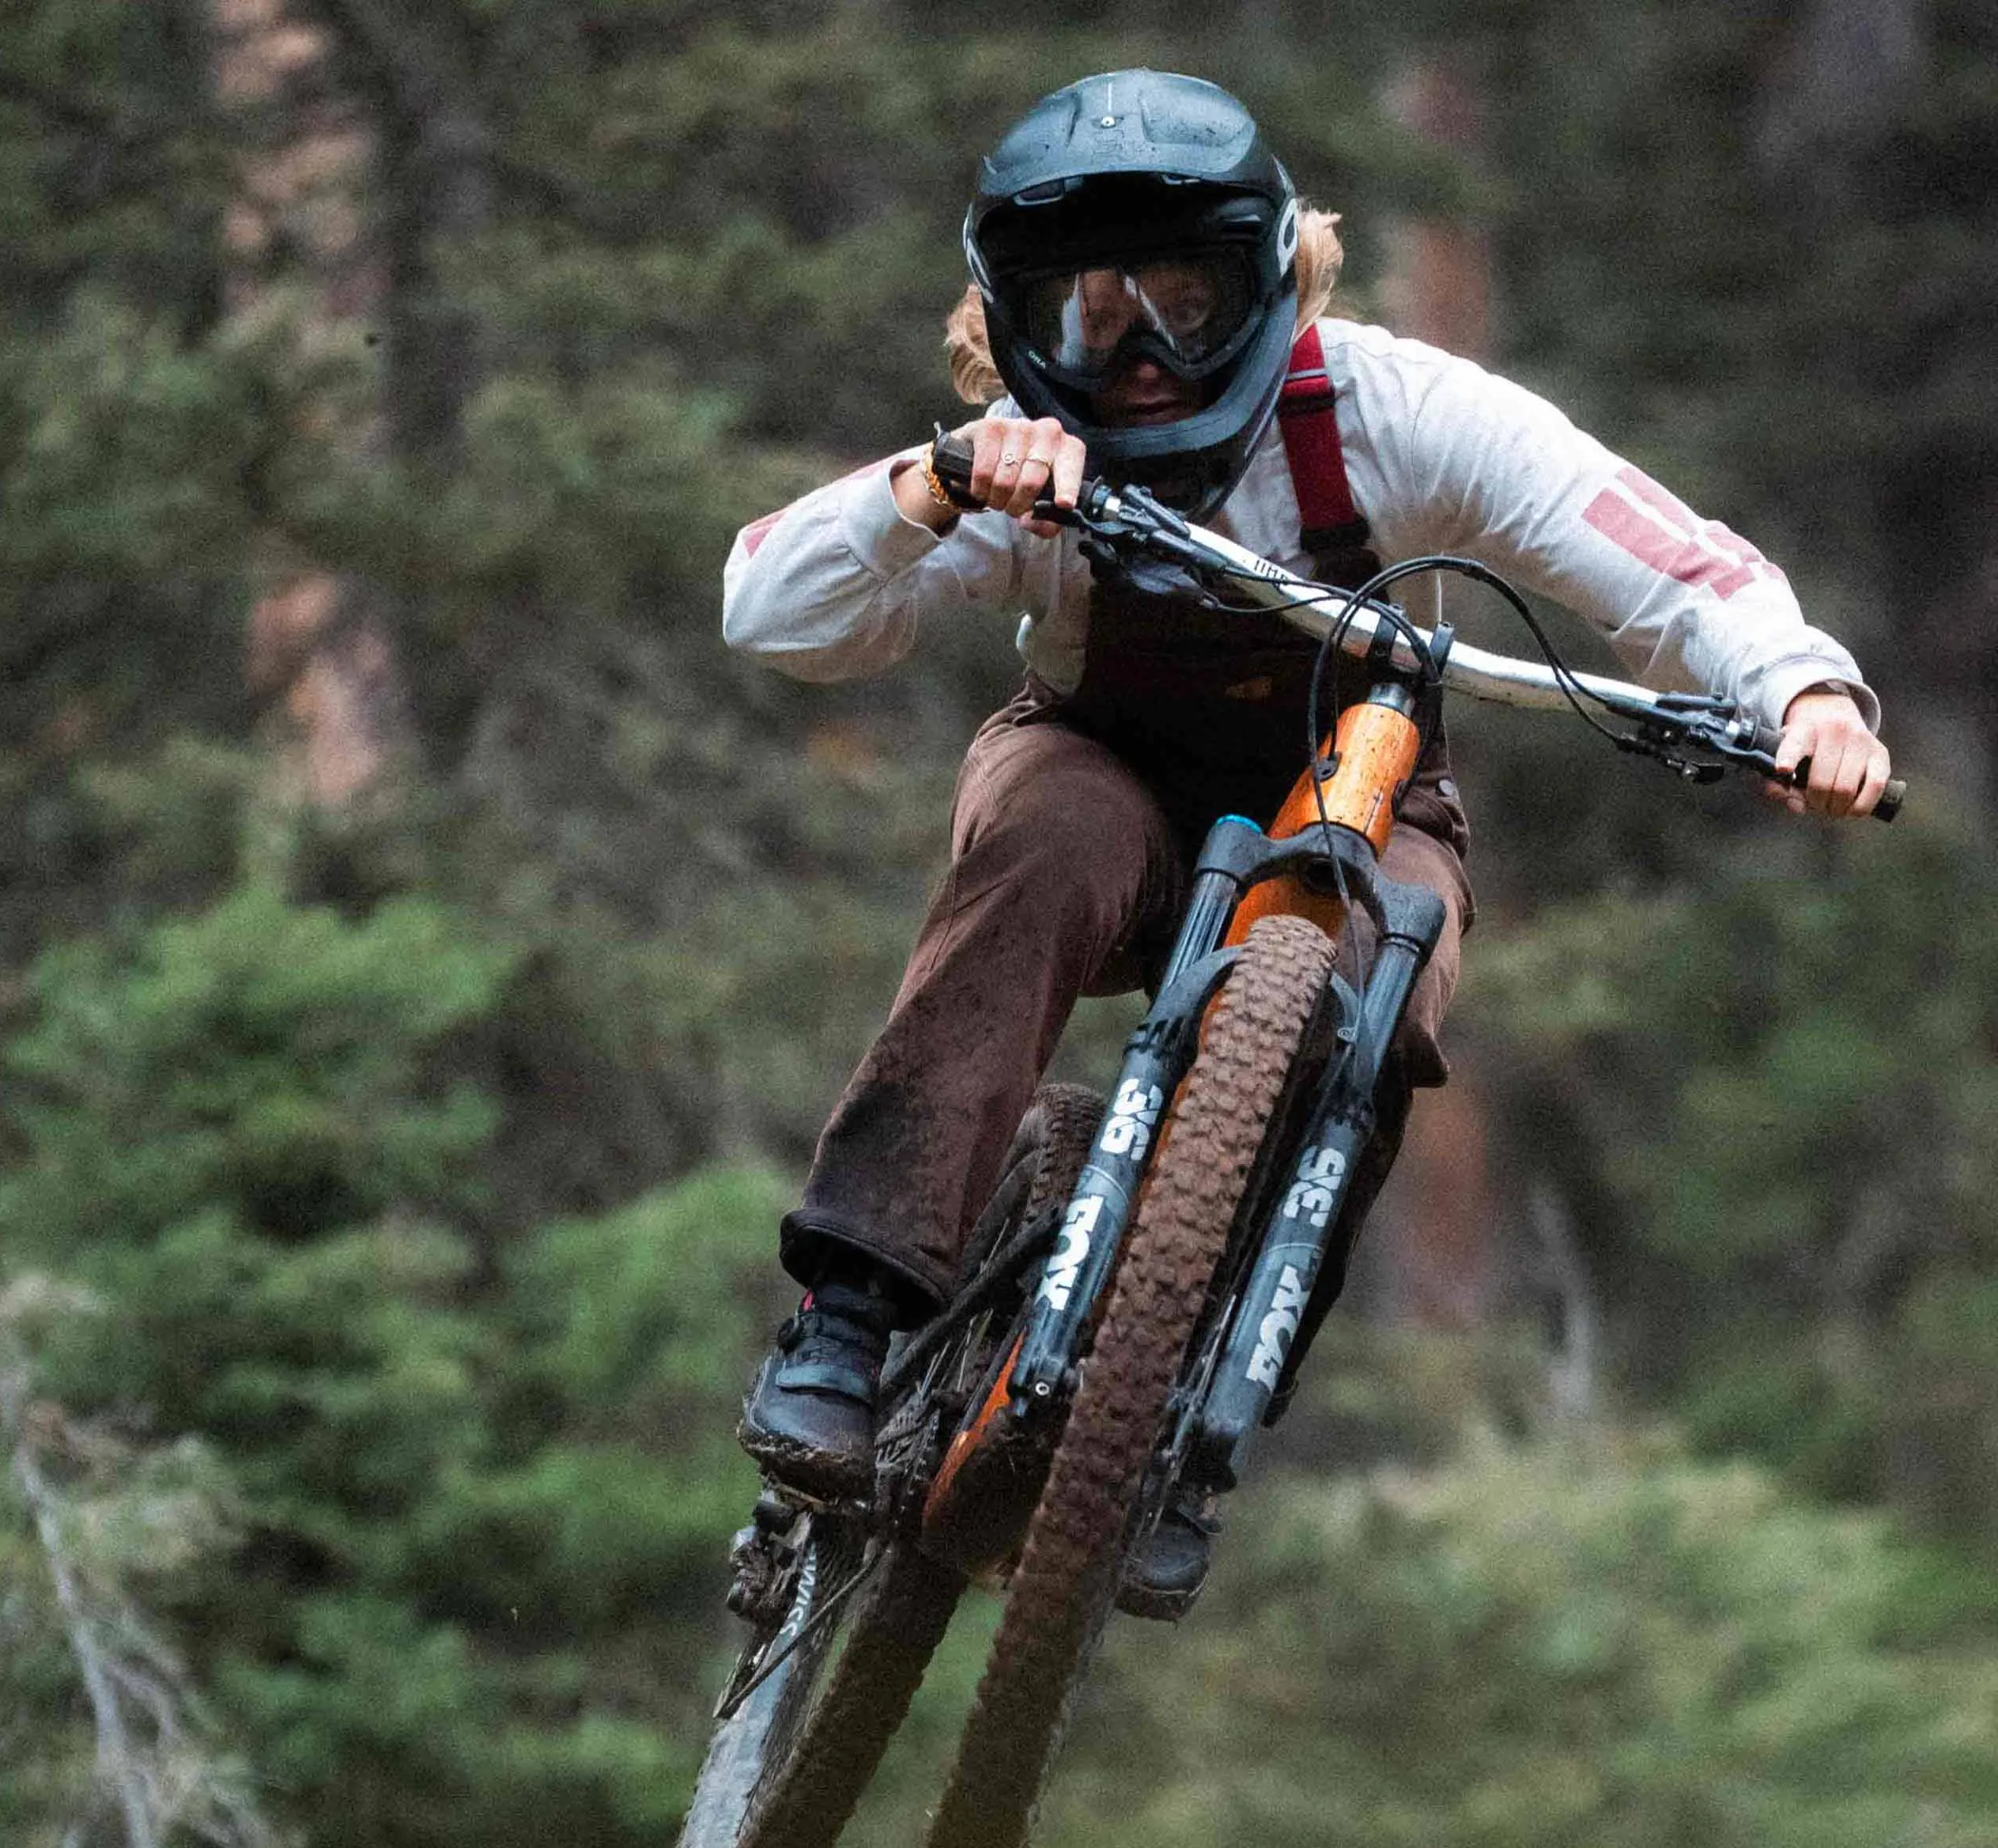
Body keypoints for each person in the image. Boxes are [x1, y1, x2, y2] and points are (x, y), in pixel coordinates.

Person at [724, 70, 1894, 1600]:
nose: (1135, 357)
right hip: (1097, 765)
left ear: (1273, 284)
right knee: (1039, 853)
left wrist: (1808, 695)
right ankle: (851, 1321)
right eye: (1087, 313)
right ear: (1012, 318)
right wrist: (930, 486)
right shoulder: (1021, 464)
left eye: (1184, 303)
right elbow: (774, 612)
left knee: (1386, 978)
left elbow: (1667, 559)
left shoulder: (1400, 412)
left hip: (1365, 790)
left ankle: (1193, 1422)